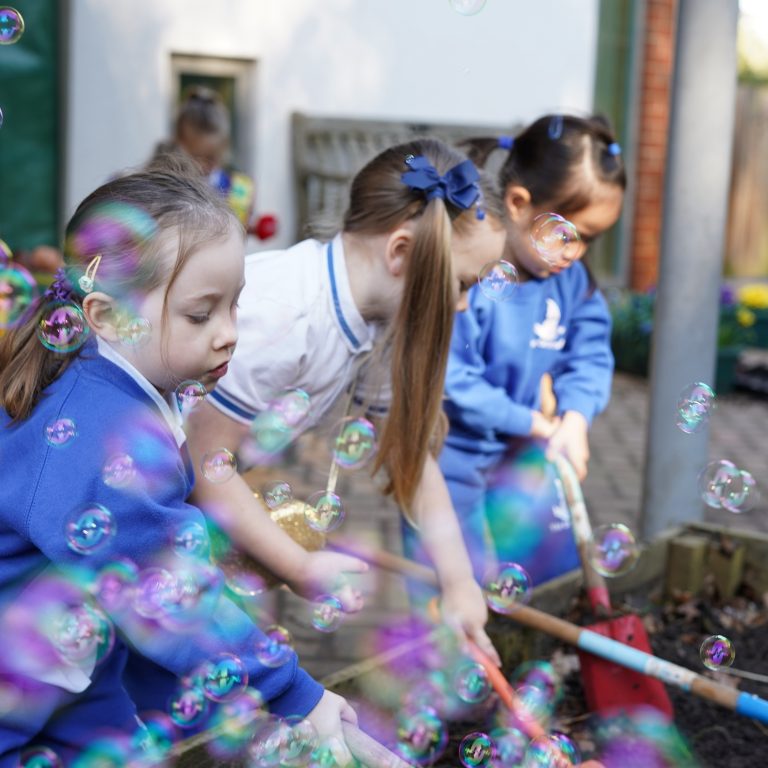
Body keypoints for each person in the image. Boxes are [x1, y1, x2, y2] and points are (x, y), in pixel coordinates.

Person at [0, 161, 355, 765]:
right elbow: (165, 589)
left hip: (68, 666)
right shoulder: (98, 436)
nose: (229, 334)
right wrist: (292, 692)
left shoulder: (122, 384)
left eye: (234, 306)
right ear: (108, 318)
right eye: (200, 314)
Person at [183, 138, 508, 667]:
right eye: (463, 282)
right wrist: (298, 566)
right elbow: (203, 466)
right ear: (401, 252)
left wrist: (459, 584)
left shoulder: (376, 320)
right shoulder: (286, 318)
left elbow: (412, 460)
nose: (465, 304)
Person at [404, 114, 626, 589]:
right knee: (448, 584)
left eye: (592, 239)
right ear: (521, 204)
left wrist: (575, 419)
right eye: (573, 234)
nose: (578, 253)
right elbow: (451, 376)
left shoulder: (572, 284)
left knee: (548, 572)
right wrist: (531, 421)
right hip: (448, 457)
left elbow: (590, 356)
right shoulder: (470, 277)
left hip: (524, 453)